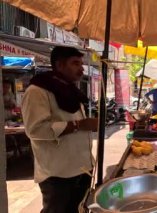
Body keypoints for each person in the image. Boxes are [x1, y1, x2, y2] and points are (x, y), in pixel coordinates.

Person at [22, 46, 98, 213]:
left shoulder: (69, 91)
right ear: (60, 65)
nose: (81, 68)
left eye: (81, 63)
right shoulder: (37, 91)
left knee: (78, 209)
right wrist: (78, 125)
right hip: (58, 174)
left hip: (82, 168)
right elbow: (35, 129)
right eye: (75, 63)